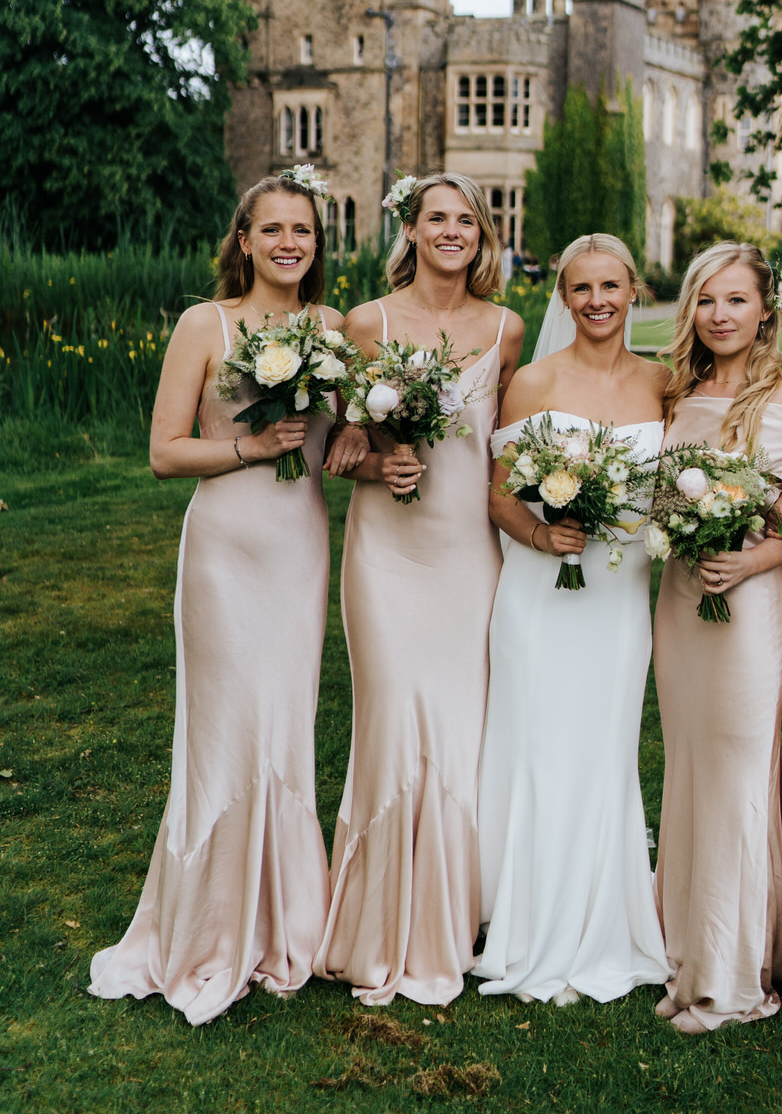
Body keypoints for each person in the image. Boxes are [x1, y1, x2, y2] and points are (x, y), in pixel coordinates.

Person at [89, 170, 364, 1026]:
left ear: (319, 246)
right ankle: (209, 923)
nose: (289, 243)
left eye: (304, 231)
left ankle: (287, 917)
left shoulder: (330, 328)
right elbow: (165, 453)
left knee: (283, 719)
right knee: (223, 728)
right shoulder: (203, 324)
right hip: (223, 549)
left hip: (298, 548)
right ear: (242, 239)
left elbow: (358, 426)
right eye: (272, 229)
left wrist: (355, 429)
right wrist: (251, 447)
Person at [314, 173, 524, 1006]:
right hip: (387, 554)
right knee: (394, 719)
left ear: (481, 234)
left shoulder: (506, 331)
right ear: (411, 227)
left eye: (465, 219)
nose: (451, 231)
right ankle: (376, 915)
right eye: (436, 218)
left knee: (463, 727)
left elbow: (508, 450)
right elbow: (338, 444)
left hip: (469, 555)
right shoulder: (366, 322)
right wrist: (375, 457)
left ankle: (458, 913)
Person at [475, 233, 670, 1004]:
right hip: (538, 593)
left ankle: (603, 914)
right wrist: (538, 532)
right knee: (538, 744)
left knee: (604, 745)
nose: (595, 301)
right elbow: (496, 494)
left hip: (619, 596)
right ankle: (521, 918)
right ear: (562, 296)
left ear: (633, 291)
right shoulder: (532, 382)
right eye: (580, 288)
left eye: (609, 287)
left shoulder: (664, 383)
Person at [653, 243, 782, 1035]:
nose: (719, 316)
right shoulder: (676, 394)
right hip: (681, 603)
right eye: (706, 301)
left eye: (734, 301)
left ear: (765, 311)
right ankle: (685, 950)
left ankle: (734, 975)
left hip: (749, 609)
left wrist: (750, 557)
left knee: (736, 778)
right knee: (688, 771)